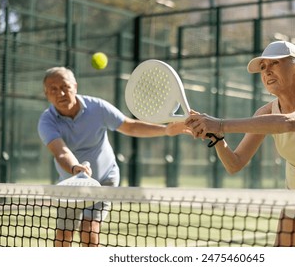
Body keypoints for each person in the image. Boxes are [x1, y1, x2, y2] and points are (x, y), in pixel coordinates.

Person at [185, 41, 295, 247]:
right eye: (263, 67)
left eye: (274, 63)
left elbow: (290, 123)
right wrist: (217, 137)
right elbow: (235, 164)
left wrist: (220, 124)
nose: (267, 71)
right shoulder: (265, 113)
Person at [38, 67, 190, 247]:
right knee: (63, 236)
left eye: (65, 86)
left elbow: (130, 126)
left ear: (75, 87)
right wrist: (75, 168)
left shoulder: (98, 108)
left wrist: (165, 129)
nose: (60, 93)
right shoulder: (46, 121)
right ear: (46, 94)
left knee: (89, 229)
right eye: (53, 89)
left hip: (104, 180)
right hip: (70, 184)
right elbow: (61, 152)